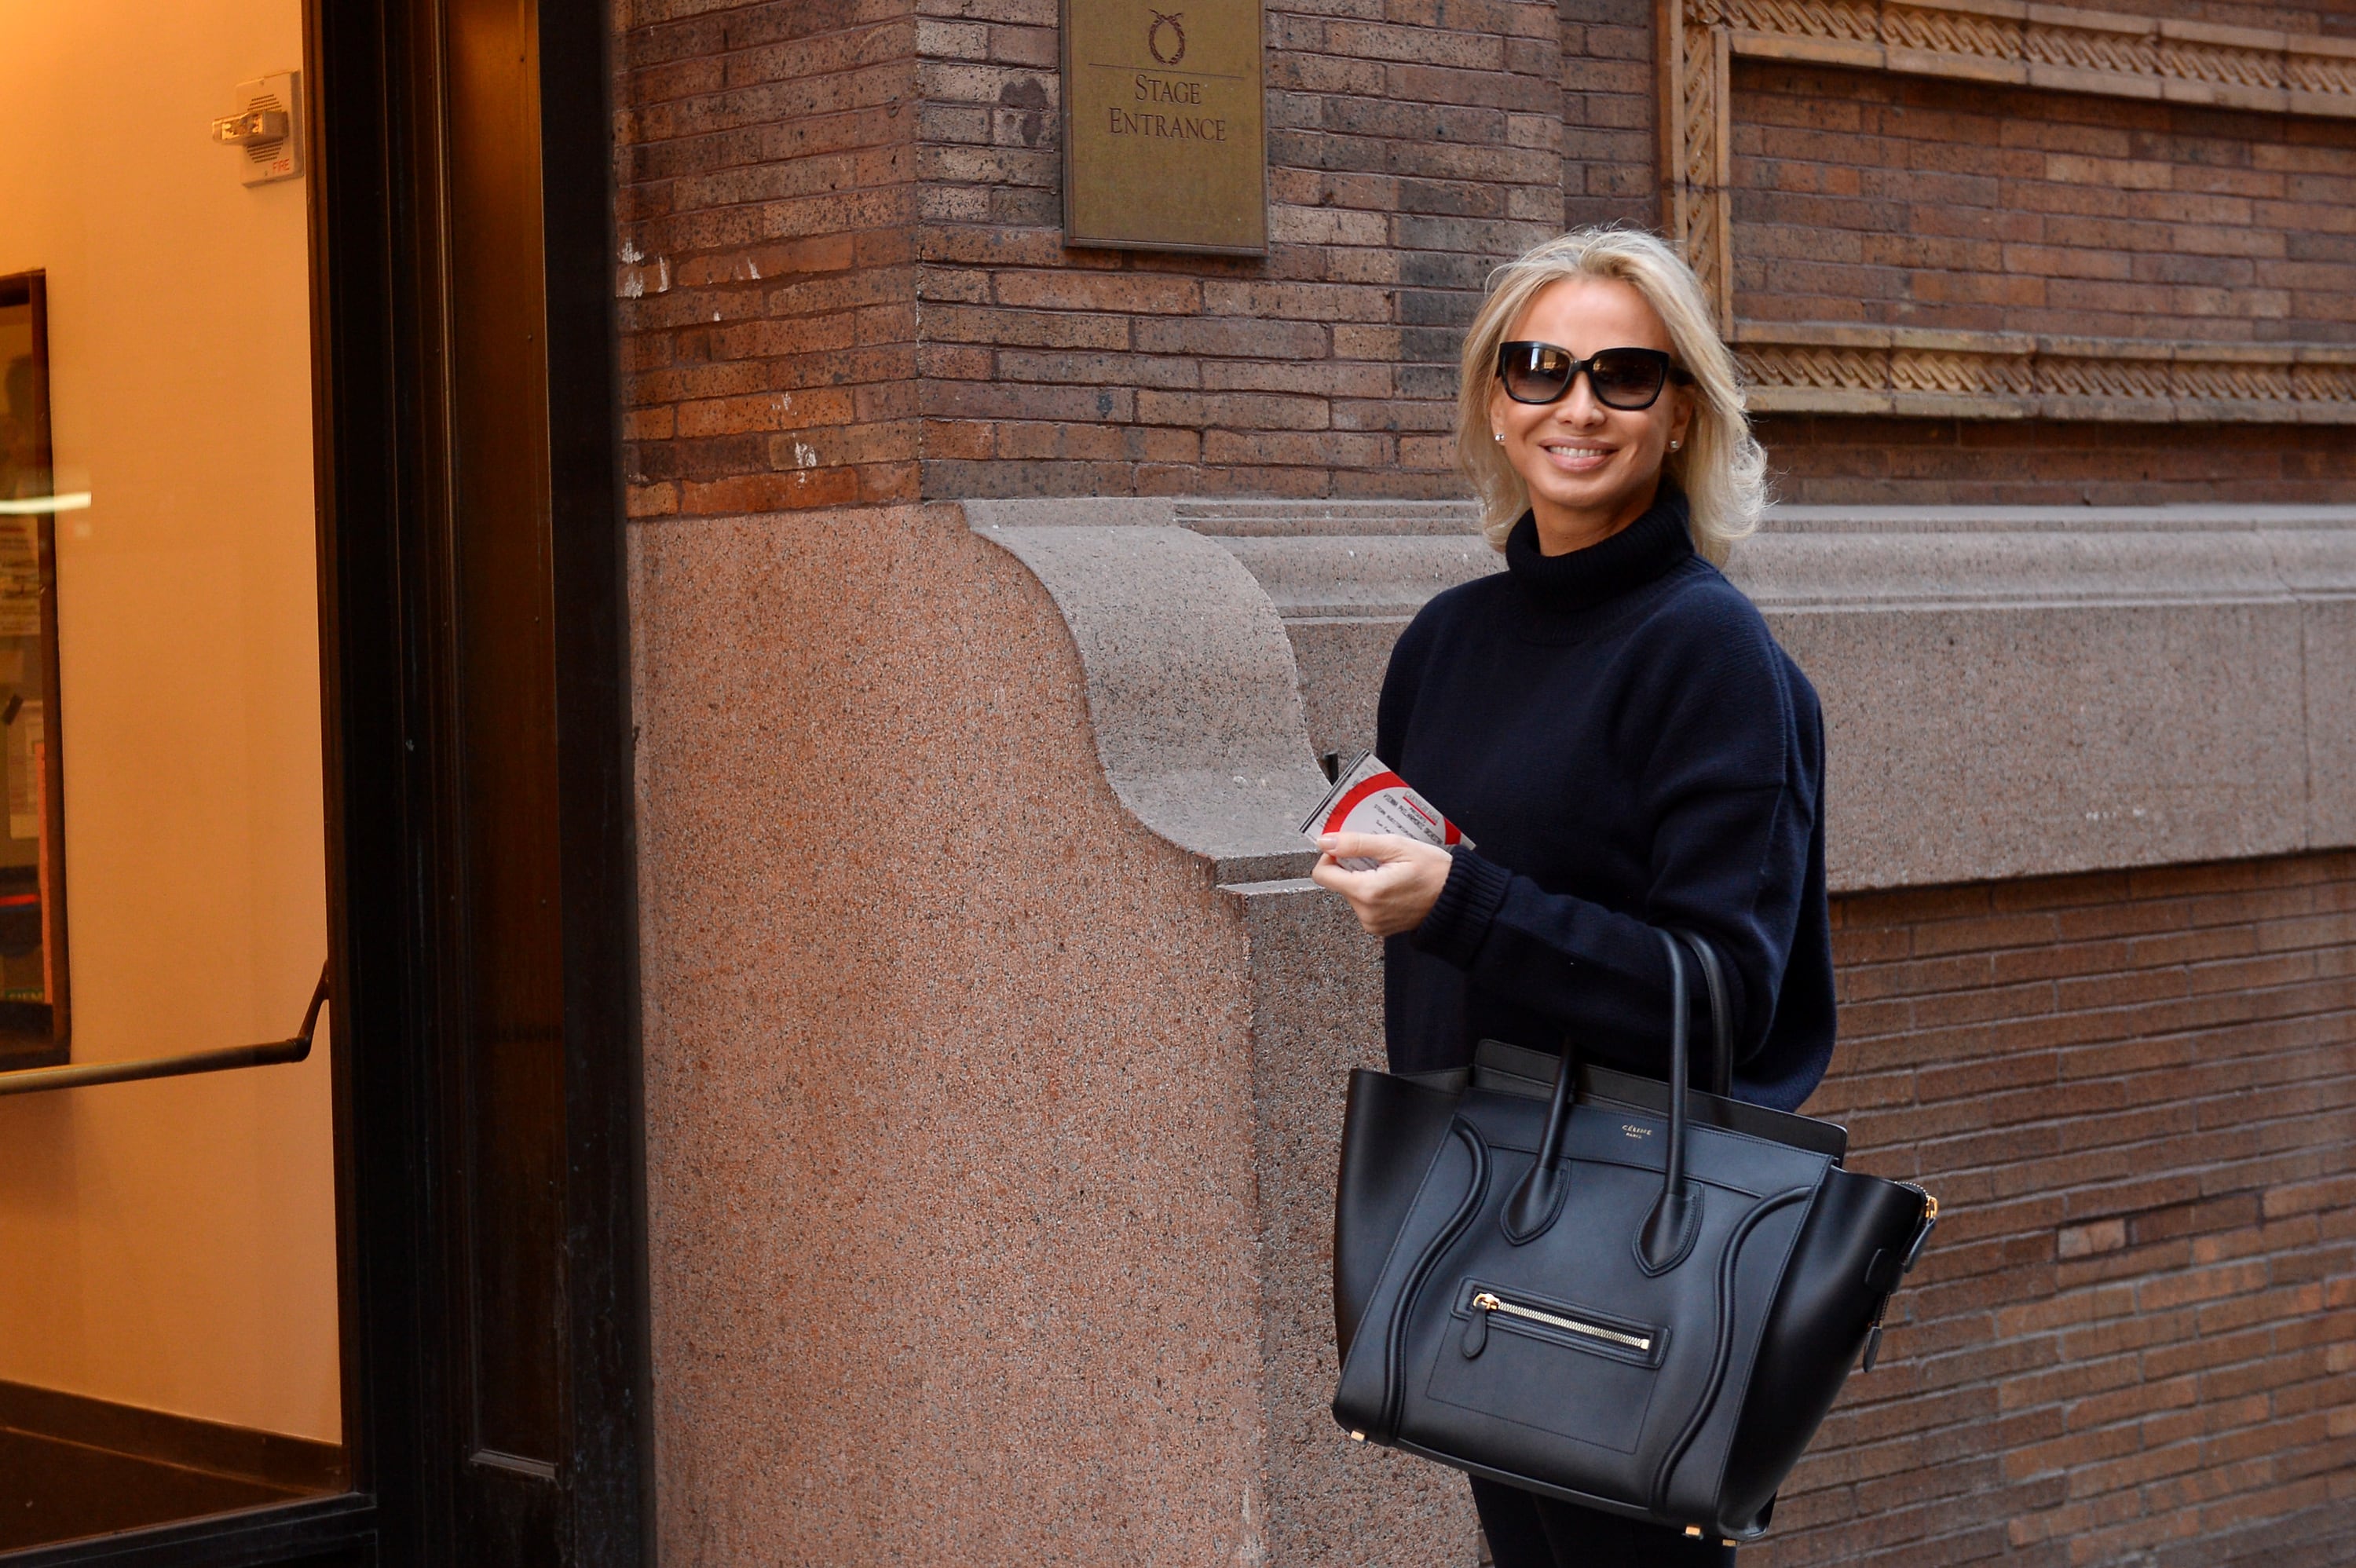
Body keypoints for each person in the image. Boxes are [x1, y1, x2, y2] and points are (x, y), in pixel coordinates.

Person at [1308, 227, 1835, 1566]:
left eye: (1625, 375)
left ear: (1682, 415)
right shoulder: (1446, 642)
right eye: (1540, 368)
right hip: (1474, 1212)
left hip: (1628, 1255)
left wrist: (1465, 901)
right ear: (1496, 400)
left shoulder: (1707, 649)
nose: (1578, 406)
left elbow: (1721, 995)